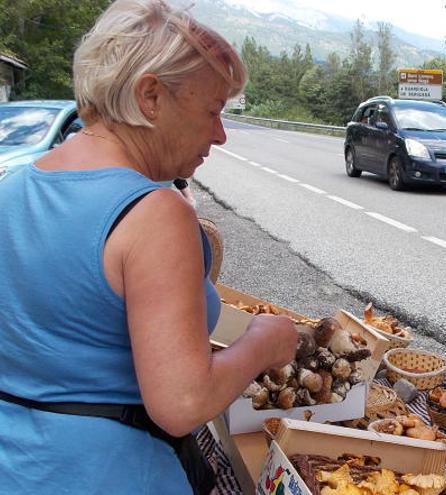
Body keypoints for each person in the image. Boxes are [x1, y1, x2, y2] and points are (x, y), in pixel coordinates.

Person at [0, 1, 298, 493]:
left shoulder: (13, 186)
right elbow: (183, 403)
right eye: (212, 111)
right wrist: (263, 342)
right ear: (151, 96)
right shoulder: (156, 212)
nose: (220, 135)